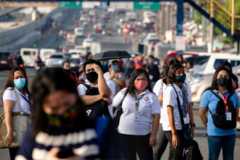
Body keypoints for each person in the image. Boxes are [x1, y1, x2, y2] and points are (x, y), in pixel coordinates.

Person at [15, 68, 99, 160]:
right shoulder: (35, 131)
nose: (62, 112)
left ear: (76, 97)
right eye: (54, 108)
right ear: (41, 108)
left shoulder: (96, 126)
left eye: (67, 104)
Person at [112, 69, 160, 160]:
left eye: (144, 79)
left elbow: (156, 116)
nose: (141, 82)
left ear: (147, 81)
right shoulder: (124, 92)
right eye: (138, 79)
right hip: (124, 134)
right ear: (133, 80)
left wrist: (153, 135)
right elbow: (112, 104)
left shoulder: (152, 96)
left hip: (143, 135)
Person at [199, 66, 239, 160]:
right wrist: (207, 125)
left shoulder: (234, 95)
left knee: (229, 158)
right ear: (216, 77)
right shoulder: (208, 94)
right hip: (214, 134)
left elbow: (236, 112)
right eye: (220, 75)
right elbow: (201, 113)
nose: (223, 78)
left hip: (230, 133)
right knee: (213, 157)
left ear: (229, 79)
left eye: (226, 76)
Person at [161, 60, 194, 160]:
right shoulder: (170, 89)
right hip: (173, 128)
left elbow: (188, 105)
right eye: (178, 73)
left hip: (182, 125)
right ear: (172, 74)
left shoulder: (181, 88)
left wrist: (191, 124)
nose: (181, 74)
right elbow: (169, 111)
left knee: (179, 154)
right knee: (176, 154)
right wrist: (174, 133)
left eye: (182, 72)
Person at [2, 67, 31, 160]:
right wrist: (10, 131)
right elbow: (8, 112)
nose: (20, 79)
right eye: (17, 77)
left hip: (27, 130)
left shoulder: (26, 93)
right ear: (12, 79)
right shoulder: (10, 91)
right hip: (16, 131)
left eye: (22, 77)